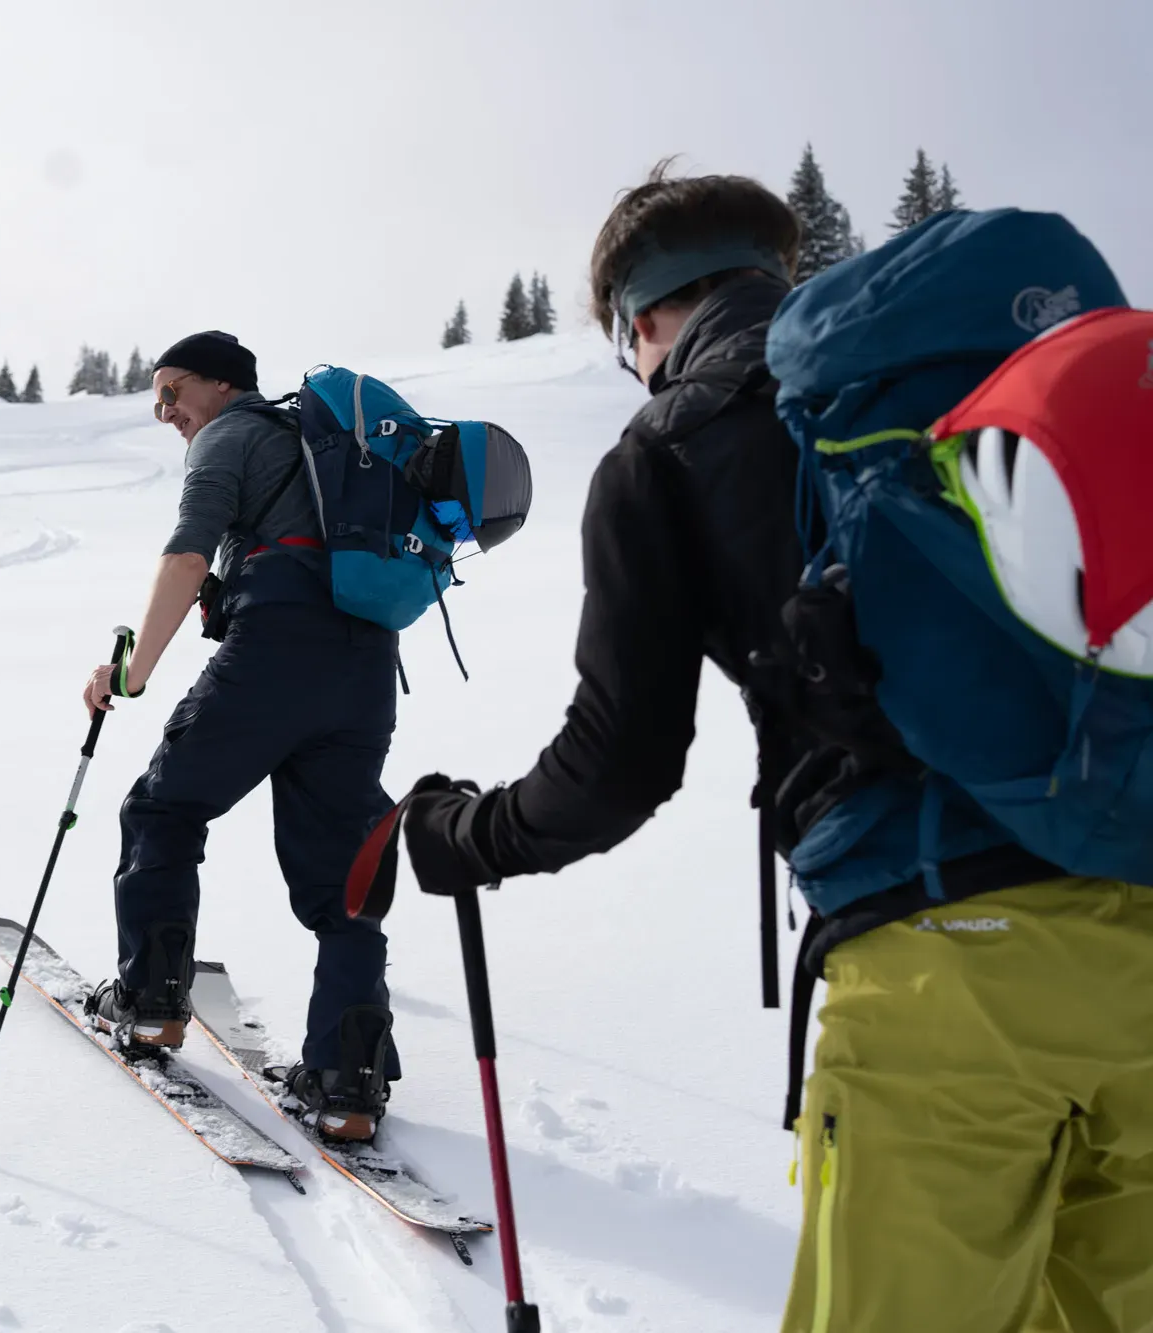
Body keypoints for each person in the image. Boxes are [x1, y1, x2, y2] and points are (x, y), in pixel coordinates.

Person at [394, 165, 1153, 1330]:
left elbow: (620, 760)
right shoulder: (967, 394)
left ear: (639, 318)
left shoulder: (671, 443)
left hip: (940, 963)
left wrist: (466, 834)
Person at [77, 330, 401, 1141]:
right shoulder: (319, 453)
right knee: (342, 881)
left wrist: (129, 673)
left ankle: (150, 1004)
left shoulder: (230, 435)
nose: (165, 412)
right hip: (364, 668)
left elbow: (187, 558)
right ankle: (347, 1080)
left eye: (172, 391)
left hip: (276, 653)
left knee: (162, 808)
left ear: (221, 384)